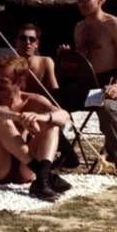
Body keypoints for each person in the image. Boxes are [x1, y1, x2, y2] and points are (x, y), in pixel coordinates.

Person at [61, 0, 117, 176]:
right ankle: (64, 154)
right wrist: (68, 58)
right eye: (79, 0)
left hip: (111, 81)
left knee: (109, 108)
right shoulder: (79, 28)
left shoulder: (114, 25)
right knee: (50, 101)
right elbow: (82, 64)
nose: (82, 4)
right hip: (86, 83)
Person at [0, 55, 70, 201]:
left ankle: (41, 177)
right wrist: (18, 116)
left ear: (19, 82)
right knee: (1, 118)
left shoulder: (32, 99)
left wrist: (41, 117)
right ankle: (44, 176)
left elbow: (64, 115)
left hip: (25, 169)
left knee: (52, 125)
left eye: (3, 82)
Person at [14, 23, 79, 169]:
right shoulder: (11, 64)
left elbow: (55, 91)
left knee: (52, 113)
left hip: (41, 109)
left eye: (31, 40)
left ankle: (66, 154)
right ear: (16, 42)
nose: (27, 43)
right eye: (23, 39)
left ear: (37, 44)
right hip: (19, 110)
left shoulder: (45, 61)